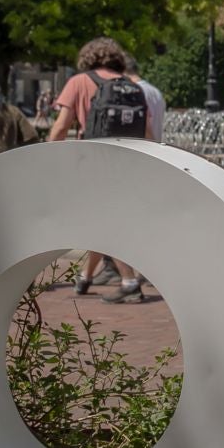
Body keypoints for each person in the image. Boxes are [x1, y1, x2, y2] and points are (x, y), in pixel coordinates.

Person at [48, 37, 156, 300]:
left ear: (87, 58)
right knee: (104, 219)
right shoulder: (132, 86)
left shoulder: (79, 82)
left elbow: (61, 127)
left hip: (94, 163)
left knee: (101, 222)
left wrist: (49, 159)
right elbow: (148, 134)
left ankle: (129, 281)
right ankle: (85, 278)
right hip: (127, 163)